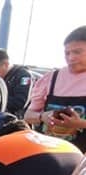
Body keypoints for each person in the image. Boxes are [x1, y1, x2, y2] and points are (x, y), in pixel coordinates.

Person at [24, 25, 86, 153]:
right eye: (67, 53)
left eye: (77, 52)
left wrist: (79, 124)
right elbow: (28, 116)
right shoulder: (51, 78)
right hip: (47, 155)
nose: (71, 57)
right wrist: (42, 116)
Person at [0, 49, 34, 119]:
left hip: (17, 121)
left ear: (6, 64)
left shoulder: (23, 76)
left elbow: (20, 103)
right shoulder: (1, 77)